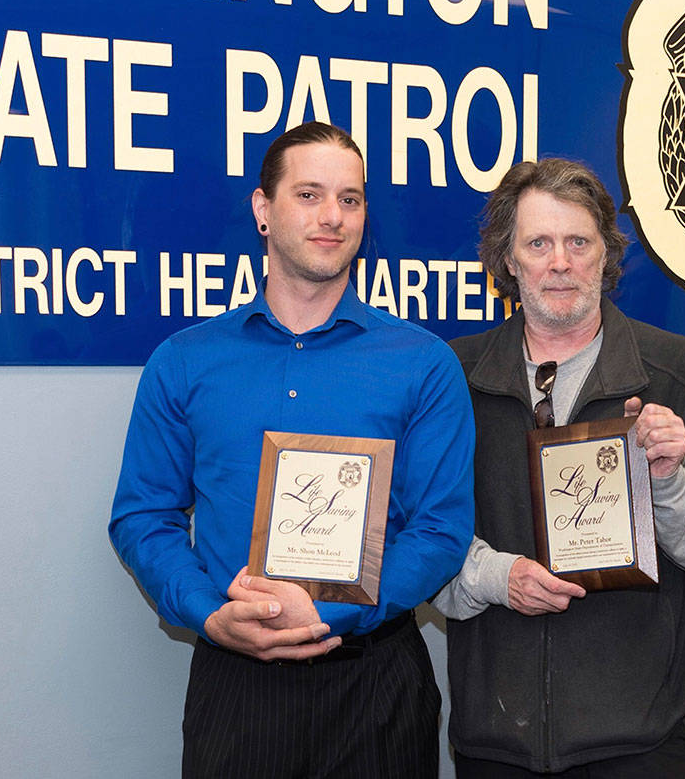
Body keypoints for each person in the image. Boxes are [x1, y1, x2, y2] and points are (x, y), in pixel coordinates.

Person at [109, 121, 475, 778]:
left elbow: (442, 530)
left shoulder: (423, 363)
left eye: (351, 199)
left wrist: (329, 609)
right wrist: (210, 613)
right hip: (236, 677)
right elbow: (143, 517)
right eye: (309, 194)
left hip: (377, 683)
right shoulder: (184, 362)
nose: (333, 216)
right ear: (262, 210)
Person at [434, 158, 685, 777]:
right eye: (538, 244)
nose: (560, 262)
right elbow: (419, 541)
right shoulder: (450, 380)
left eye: (579, 242)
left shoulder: (678, 373)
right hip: (497, 739)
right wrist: (497, 577)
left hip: (641, 740)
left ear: (607, 254)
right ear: (508, 259)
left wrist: (665, 480)